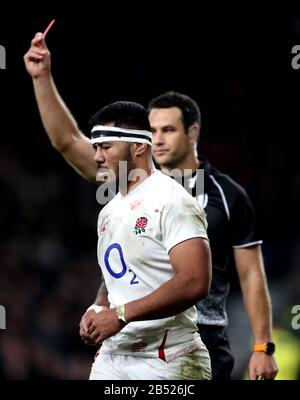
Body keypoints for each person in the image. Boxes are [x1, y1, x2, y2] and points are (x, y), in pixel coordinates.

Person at [24, 33, 212, 380]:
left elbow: (196, 282)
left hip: (168, 359)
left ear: (138, 148)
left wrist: (120, 314)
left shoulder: (172, 201)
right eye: (96, 147)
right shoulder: (110, 209)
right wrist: (101, 304)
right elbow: (119, 276)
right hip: (115, 356)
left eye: (106, 147)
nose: (96, 156)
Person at [147, 91, 278, 380]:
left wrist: (262, 347)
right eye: (153, 130)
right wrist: (41, 78)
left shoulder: (228, 196)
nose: (157, 139)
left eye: (168, 130)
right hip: (142, 334)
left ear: (192, 132)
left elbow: (251, 274)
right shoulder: (134, 187)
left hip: (202, 335)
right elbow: (68, 142)